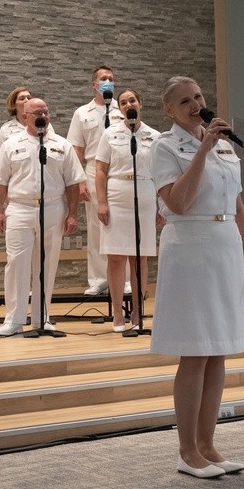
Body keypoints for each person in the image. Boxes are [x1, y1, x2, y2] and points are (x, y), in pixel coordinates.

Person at [150, 76, 244, 478]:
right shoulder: (164, 146)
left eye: (198, 97)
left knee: (218, 350)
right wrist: (203, 148)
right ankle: (186, 451)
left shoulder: (226, 144)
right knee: (196, 350)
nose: (196, 105)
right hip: (191, 247)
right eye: (185, 102)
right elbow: (178, 202)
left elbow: (239, 207)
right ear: (169, 111)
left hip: (225, 245)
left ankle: (207, 444)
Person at [0, 98, 85, 337]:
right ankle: (14, 319)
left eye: (45, 112)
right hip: (19, 209)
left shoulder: (62, 145)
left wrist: (73, 214)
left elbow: (73, 182)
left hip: (52, 208)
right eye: (36, 112)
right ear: (24, 117)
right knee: (16, 264)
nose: (42, 115)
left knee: (47, 263)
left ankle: (42, 317)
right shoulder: (12, 144)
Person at [94, 89, 160, 332]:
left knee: (139, 257)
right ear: (119, 108)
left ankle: (138, 313)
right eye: (123, 102)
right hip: (117, 193)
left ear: (140, 104)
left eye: (132, 100)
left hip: (144, 193)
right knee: (116, 256)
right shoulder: (110, 134)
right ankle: (118, 314)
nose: (128, 104)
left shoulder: (155, 135)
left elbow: (162, 173)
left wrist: (160, 206)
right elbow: (100, 171)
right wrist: (101, 202)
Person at [67, 66, 125, 295]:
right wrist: (80, 180)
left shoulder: (122, 110)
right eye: (103, 79)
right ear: (94, 84)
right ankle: (99, 279)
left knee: (121, 223)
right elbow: (76, 149)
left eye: (111, 79)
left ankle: (124, 279)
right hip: (92, 170)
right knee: (96, 224)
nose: (108, 82)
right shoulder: (83, 113)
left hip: (120, 171)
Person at [0, 86, 32, 156]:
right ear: (13, 105)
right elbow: (1, 158)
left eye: (29, 98)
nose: (27, 100)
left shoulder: (43, 125)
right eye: (22, 98)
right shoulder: (6, 129)